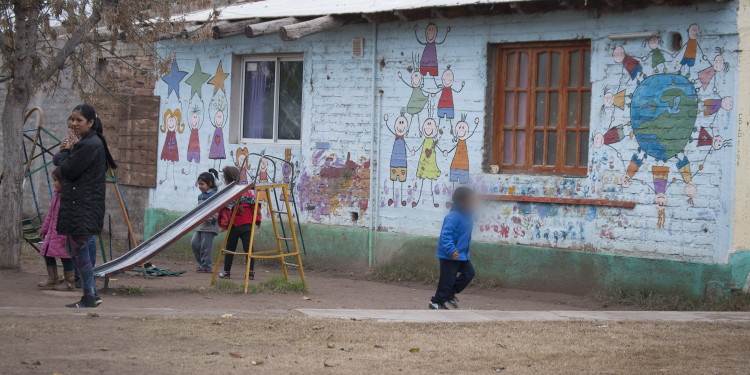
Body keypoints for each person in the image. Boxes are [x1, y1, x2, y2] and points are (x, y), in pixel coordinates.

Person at [53, 104, 117, 308]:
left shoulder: (90, 144)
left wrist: (66, 150)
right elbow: (59, 159)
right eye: (72, 119)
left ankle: (90, 294)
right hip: (79, 204)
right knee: (75, 247)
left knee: (79, 248)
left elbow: (69, 170)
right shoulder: (83, 142)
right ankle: (90, 293)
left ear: (90, 122)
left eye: (79, 120)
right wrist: (66, 149)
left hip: (82, 205)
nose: (73, 123)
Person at [429, 187, 476, 310]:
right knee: (447, 280)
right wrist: (451, 250)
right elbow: (445, 235)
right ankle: (436, 301)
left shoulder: (468, 216)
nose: (473, 202)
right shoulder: (453, 216)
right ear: (461, 202)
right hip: (449, 255)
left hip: (462, 255)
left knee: (469, 273)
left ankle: (450, 293)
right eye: (470, 200)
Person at [217, 166, 261, 280]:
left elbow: (226, 210)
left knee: (230, 249)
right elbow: (255, 206)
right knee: (249, 249)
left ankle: (227, 272)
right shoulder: (247, 189)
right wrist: (257, 220)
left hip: (234, 224)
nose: (225, 182)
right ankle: (250, 273)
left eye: (225, 179)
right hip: (247, 224)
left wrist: (223, 226)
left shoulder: (230, 191)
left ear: (229, 179)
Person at [37, 168, 75, 290]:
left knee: (65, 257)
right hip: (52, 234)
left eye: (56, 180)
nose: (54, 183)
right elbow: (50, 215)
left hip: (63, 234)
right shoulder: (57, 196)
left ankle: (69, 283)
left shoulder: (69, 198)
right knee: (47, 252)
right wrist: (44, 229)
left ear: (64, 182)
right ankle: (52, 279)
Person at [192, 169, 220, 273]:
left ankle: (207, 266)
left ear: (210, 183)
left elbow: (217, 210)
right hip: (200, 225)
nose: (200, 186)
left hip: (209, 226)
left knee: (205, 247)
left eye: (202, 184)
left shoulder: (214, 195)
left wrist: (210, 218)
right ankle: (202, 264)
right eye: (199, 184)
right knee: (194, 244)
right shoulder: (201, 196)